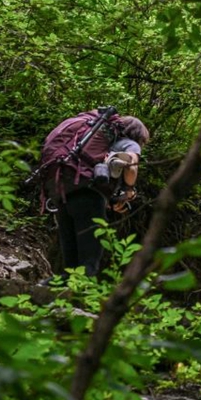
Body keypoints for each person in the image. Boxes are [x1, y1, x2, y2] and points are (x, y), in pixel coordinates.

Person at [45, 113, 150, 277]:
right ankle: (83, 296)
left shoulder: (92, 141)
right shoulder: (130, 144)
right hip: (89, 198)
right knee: (89, 260)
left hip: (64, 193)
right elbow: (131, 166)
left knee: (71, 263)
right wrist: (129, 189)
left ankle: (59, 292)